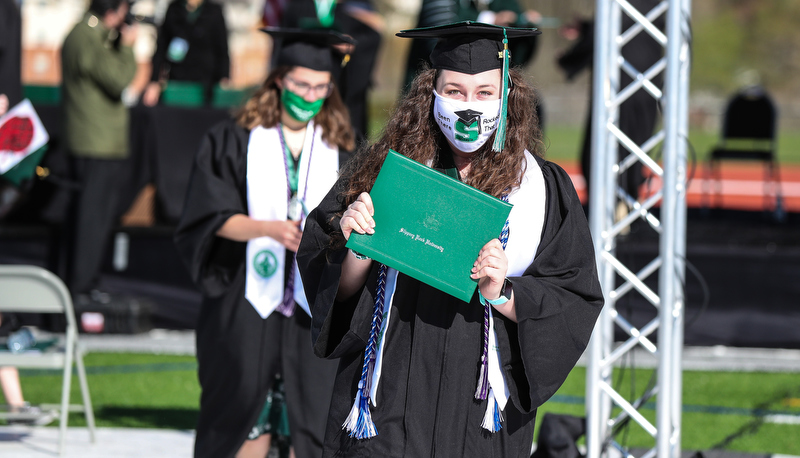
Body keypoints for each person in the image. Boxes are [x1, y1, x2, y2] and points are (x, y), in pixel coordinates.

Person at [297, 22, 604, 457]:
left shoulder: (541, 189)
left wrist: (503, 293)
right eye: (455, 91)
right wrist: (358, 248)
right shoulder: (383, 171)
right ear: (431, 93)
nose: (469, 106)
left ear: (507, 98)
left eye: (484, 93)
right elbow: (333, 292)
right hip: (387, 404)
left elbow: (572, 296)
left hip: (479, 411)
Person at [174, 27, 356, 458]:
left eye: (320, 86)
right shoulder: (233, 138)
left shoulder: (344, 149)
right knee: (242, 421)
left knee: (309, 423)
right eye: (299, 84)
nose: (309, 94)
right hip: (247, 300)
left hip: (313, 311)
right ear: (278, 79)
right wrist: (270, 229)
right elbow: (207, 214)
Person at [60, 0, 138, 298]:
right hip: (93, 143)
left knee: (98, 220)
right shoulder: (85, 36)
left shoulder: (94, 36)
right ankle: (79, 288)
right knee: (90, 222)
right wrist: (128, 46)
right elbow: (117, 80)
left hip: (102, 144)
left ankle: (87, 281)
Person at [556, 0, 664, 211]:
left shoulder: (616, 4)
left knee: (598, 152)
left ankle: (609, 209)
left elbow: (603, 33)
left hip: (616, 86)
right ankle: (627, 203)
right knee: (636, 149)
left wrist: (567, 60)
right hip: (649, 84)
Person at [141, 0, 230, 107]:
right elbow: (161, 48)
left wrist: (224, 78)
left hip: (206, 84)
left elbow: (222, 49)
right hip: (178, 80)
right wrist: (154, 81)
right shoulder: (174, 9)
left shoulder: (214, 11)